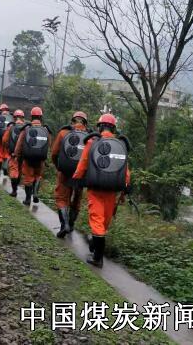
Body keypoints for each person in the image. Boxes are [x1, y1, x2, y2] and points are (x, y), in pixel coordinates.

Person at [73, 113, 131, 268]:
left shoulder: (93, 142)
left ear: (100, 127)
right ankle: (95, 244)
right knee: (104, 222)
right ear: (113, 128)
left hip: (96, 189)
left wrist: (76, 179)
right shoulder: (120, 145)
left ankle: (98, 258)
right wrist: (124, 191)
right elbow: (125, 171)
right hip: (112, 191)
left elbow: (83, 163)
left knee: (97, 221)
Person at [51, 111, 90, 238]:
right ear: (85, 123)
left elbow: (54, 153)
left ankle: (64, 225)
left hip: (65, 172)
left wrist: (59, 167)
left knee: (61, 198)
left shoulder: (63, 133)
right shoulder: (91, 137)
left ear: (72, 121)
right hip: (81, 175)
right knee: (77, 199)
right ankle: (71, 224)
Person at [14, 107, 51, 206]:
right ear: (41, 117)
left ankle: (27, 199)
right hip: (40, 160)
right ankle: (35, 193)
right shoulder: (46, 130)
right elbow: (48, 145)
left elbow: (19, 144)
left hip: (28, 159)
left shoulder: (26, 129)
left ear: (31, 117)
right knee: (37, 176)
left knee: (28, 178)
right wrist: (46, 159)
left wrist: (16, 155)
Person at [2, 109, 25, 197]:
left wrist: (7, 148)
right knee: (20, 170)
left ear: (14, 118)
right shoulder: (27, 128)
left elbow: (4, 140)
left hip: (13, 154)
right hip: (23, 155)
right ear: (23, 118)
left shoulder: (11, 127)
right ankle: (17, 187)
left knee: (14, 171)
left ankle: (14, 191)